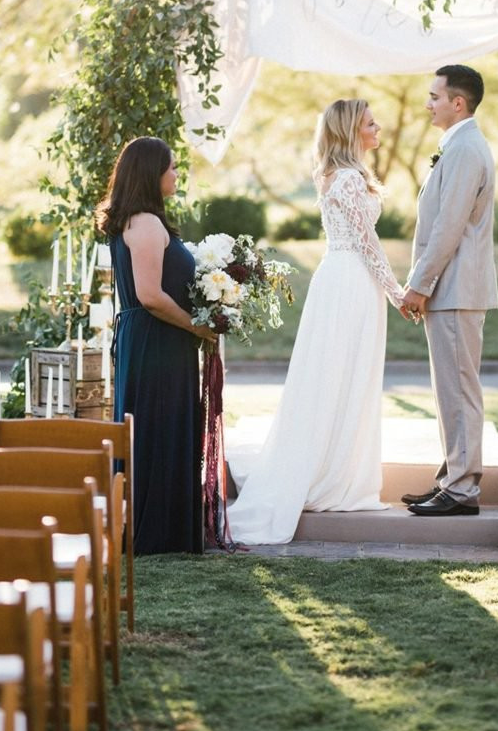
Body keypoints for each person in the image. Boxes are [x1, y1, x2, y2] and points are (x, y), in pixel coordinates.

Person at [228, 100, 404, 545]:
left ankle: (340, 468)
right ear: (350, 131)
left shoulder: (343, 175)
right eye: (369, 122)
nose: (377, 127)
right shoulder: (346, 179)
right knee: (339, 375)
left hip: (346, 279)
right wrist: (397, 293)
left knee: (347, 376)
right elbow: (369, 244)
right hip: (350, 281)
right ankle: (333, 477)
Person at [95, 137, 215, 555]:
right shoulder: (144, 222)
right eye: (172, 167)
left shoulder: (140, 220)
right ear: (152, 173)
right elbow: (149, 295)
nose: (177, 173)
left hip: (154, 339)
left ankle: (164, 528)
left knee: (160, 427)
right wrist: (196, 327)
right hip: (156, 341)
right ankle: (156, 533)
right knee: (156, 427)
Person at [400, 65, 498, 516]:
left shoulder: (464, 149)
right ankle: (451, 478)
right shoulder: (457, 145)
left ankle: (462, 490)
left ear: (458, 102)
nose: (429, 103)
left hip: (456, 288)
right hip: (452, 289)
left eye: (435, 96)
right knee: (449, 391)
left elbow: (448, 227)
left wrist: (419, 285)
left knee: (458, 389)